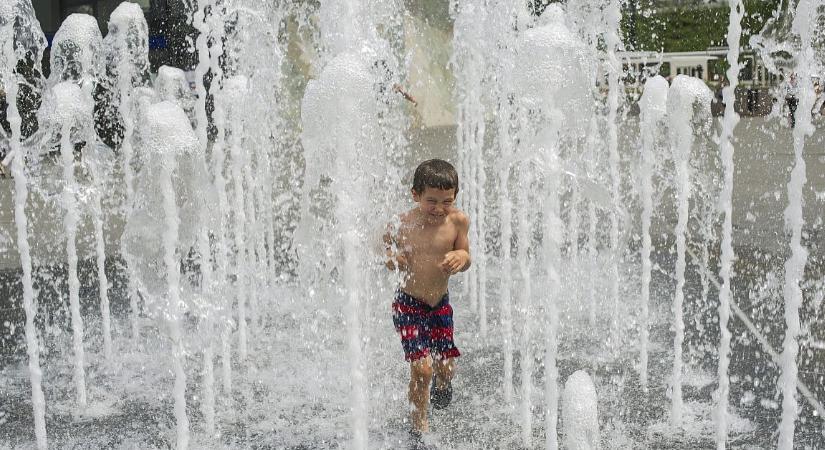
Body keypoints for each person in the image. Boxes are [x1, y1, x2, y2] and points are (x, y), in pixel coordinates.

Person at [383, 158, 471, 440]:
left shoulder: (458, 221)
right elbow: (381, 246)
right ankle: (419, 426)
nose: (438, 208)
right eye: (431, 201)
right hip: (408, 304)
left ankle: (442, 385)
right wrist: (391, 257)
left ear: (455, 196)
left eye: (446, 201)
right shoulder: (402, 223)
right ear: (416, 195)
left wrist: (461, 257)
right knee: (421, 368)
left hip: (439, 305)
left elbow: (467, 256)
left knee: (445, 367)